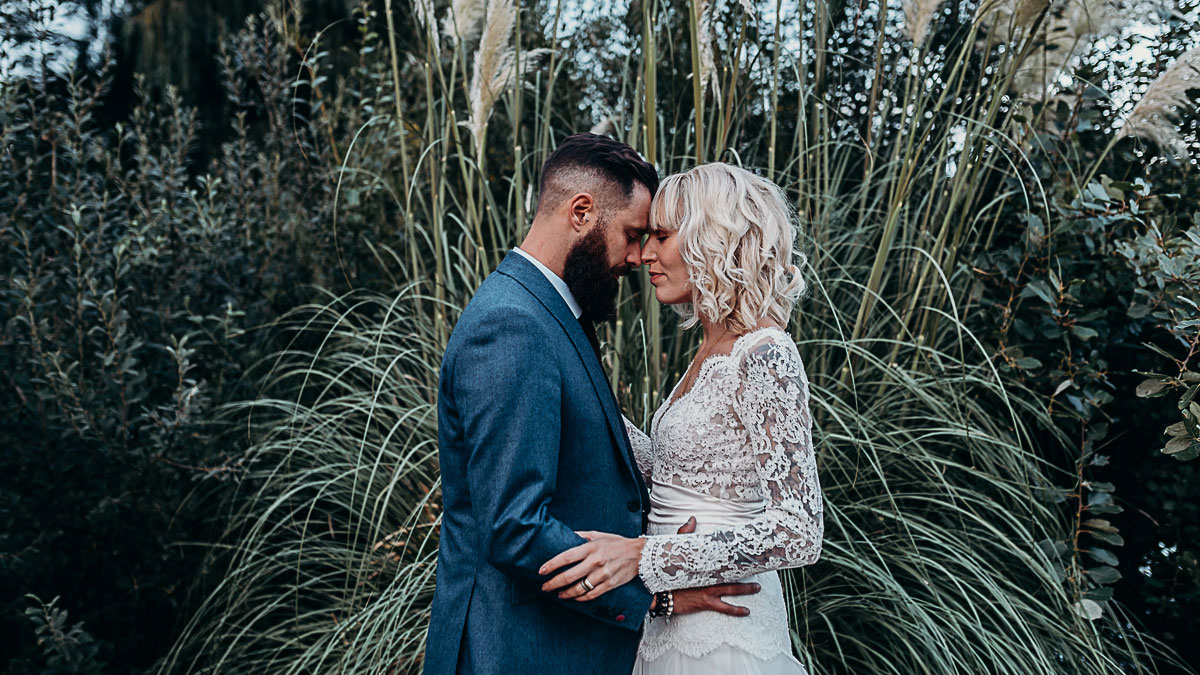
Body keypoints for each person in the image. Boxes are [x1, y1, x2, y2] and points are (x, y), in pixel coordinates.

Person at [423, 136, 759, 675]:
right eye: (631, 234)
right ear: (582, 212)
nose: (637, 256)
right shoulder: (513, 325)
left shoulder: (550, 313)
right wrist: (652, 590)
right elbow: (516, 525)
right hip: (517, 651)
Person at [539, 162, 825, 674]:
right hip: (672, 618)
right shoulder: (711, 349)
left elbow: (799, 531)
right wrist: (578, 391)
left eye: (662, 237)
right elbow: (675, 471)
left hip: (725, 628)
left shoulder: (765, 352)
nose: (645, 253)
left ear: (712, 240)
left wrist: (645, 556)